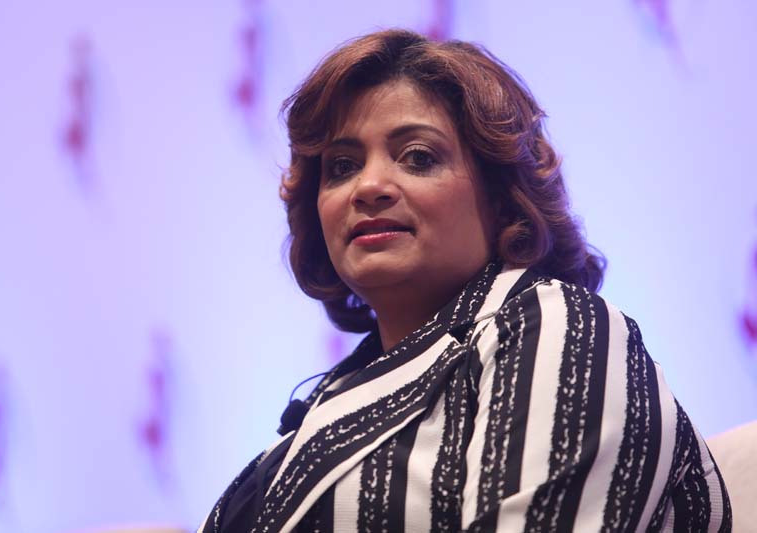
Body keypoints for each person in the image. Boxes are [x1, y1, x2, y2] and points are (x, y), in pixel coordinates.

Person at [199, 29, 731, 532]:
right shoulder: (324, 403)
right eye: (341, 166)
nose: (369, 186)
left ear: (503, 198)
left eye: (418, 157)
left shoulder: (560, 326)